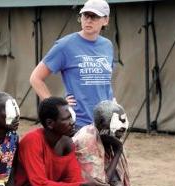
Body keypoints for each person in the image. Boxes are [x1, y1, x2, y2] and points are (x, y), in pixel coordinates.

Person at [29, 0, 114, 129]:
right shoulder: (65, 45)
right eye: (85, 15)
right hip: (76, 123)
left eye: (94, 16)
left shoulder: (107, 45)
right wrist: (55, 106)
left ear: (106, 20)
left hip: (104, 122)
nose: (88, 20)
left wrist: (112, 107)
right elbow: (35, 78)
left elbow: (105, 83)